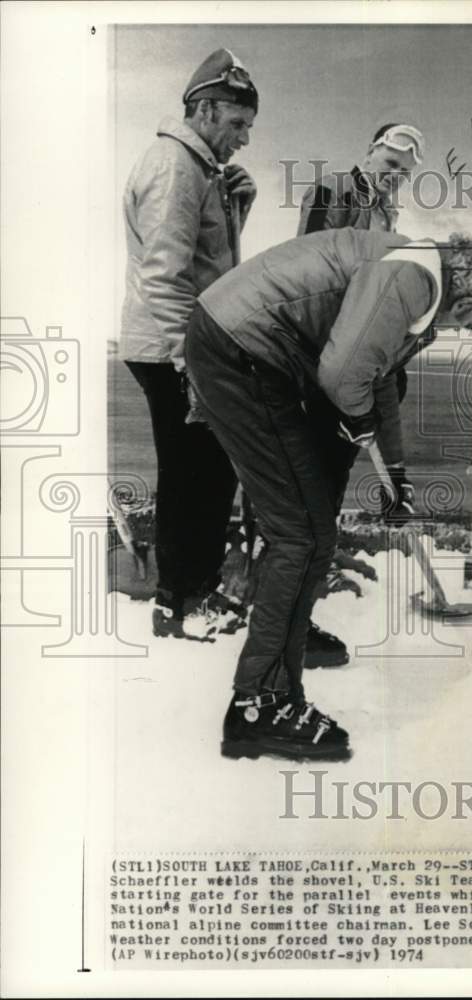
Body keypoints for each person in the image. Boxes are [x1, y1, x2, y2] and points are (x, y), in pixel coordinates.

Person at [185, 229, 472, 759]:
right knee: (304, 535)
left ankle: (278, 671)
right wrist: (355, 419)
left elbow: (377, 376)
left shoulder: (416, 275)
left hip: (246, 346)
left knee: (306, 532)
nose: (471, 327)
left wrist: (396, 472)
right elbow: (343, 376)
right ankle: (258, 706)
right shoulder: (413, 279)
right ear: (466, 298)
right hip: (243, 351)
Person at [119, 48, 258, 639]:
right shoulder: (176, 167)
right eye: (236, 124)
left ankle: (193, 593)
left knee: (210, 468)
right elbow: (164, 276)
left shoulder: (197, 169)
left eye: (248, 128)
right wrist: (189, 363)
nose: (244, 140)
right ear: (203, 110)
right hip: (171, 347)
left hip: (183, 344)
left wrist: (238, 208)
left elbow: (203, 262)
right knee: (190, 473)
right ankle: (178, 604)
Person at [295, 123, 427, 668]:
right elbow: (311, 264)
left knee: (341, 458)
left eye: (404, 170)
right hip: (324, 346)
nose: (395, 175)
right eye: (390, 162)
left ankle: (317, 555)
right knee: (312, 467)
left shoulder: (386, 211)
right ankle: (298, 576)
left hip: (357, 346)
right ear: (369, 151)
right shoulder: (332, 190)